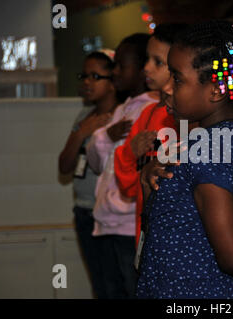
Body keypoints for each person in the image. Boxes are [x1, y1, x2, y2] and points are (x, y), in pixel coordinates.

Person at [135, 20, 233, 299]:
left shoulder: (212, 151)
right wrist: (149, 184)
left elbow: (231, 257)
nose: (168, 88)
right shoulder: (212, 140)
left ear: (216, 90)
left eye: (177, 79)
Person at [85, 33, 156, 298]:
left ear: (141, 70)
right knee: (111, 290)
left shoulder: (150, 109)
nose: (115, 71)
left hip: (128, 222)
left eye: (121, 65)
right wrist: (104, 136)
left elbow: (144, 168)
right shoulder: (122, 109)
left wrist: (122, 205)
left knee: (132, 289)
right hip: (109, 219)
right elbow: (98, 164)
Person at [113, 24, 185, 253]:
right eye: (146, 59)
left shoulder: (188, 117)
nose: (146, 68)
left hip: (179, 242)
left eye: (158, 62)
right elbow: (129, 187)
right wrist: (129, 152)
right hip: (146, 236)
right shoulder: (147, 113)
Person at [58, 51, 117, 298]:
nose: (87, 82)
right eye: (85, 75)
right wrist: (80, 133)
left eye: (96, 76)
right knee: (100, 288)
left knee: (116, 287)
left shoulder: (124, 115)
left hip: (110, 215)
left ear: (114, 80)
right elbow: (64, 167)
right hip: (84, 211)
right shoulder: (84, 116)